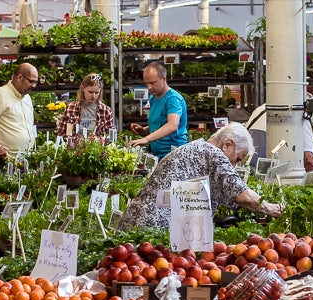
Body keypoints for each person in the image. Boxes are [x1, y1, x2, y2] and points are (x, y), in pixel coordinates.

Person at [116, 124, 283, 230]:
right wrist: (271, 208)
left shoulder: (199, 148)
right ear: (228, 144)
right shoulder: (214, 153)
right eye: (237, 159)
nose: (235, 166)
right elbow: (243, 196)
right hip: (152, 228)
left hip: (139, 224)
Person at [0, 62, 37, 166]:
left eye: (36, 82)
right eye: (31, 81)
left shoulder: (26, 98)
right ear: (20, 77)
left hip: (24, 160)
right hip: (2, 159)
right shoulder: (0, 95)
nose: (34, 86)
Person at [130, 61, 187, 157]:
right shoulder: (153, 98)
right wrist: (144, 131)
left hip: (173, 155)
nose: (149, 87)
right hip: (157, 155)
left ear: (164, 79)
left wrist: (146, 139)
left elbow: (173, 125)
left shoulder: (172, 99)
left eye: (153, 83)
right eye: (146, 83)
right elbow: (160, 123)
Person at [59, 73, 115, 145]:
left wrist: (98, 140)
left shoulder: (105, 111)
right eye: (90, 92)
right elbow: (62, 132)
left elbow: (111, 136)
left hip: (96, 150)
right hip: (74, 150)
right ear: (83, 88)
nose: (93, 96)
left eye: (96, 92)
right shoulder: (71, 108)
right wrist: (71, 141)